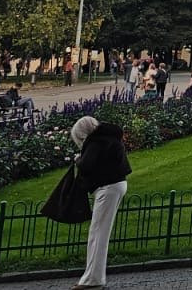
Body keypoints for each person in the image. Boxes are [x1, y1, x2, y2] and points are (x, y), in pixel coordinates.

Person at [71, 116, 131, 289]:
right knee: (98, 232)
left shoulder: (96, 141)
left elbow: (86, 166)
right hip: (117, 184)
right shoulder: (110, 136)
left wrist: (77, 159)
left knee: (98, 234)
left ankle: (93, 279)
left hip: (107, 187)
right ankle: (93, 277)